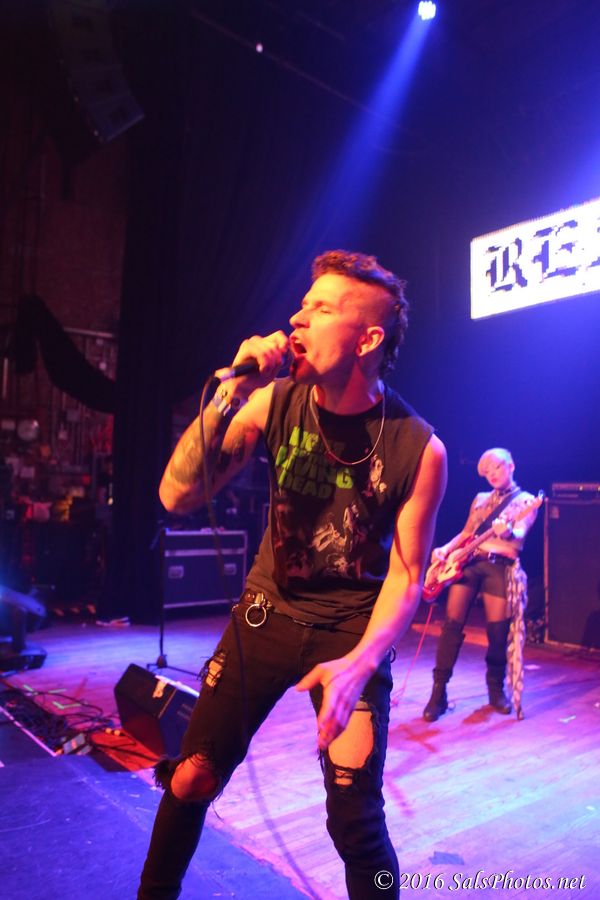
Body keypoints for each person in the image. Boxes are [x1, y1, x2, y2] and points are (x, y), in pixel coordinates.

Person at [138, 250, 447, 900]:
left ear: (367, 339)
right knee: (192, 777)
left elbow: (407, 573)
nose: (297, 320)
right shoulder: (272, 402)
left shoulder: (419, 448)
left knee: (355, 820)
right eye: (303, 306)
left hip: (351, 631)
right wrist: (232, 391)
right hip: (265, 616)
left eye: (321, 309)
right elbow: (175, 494)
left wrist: (362, 663)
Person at [422, 448, 539, 723]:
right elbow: (467, 533)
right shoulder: (480, 499)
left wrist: (508, 531)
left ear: (511, 466)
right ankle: (438, 692)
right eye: (486, 471)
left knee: (498, 632)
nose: (492, 474)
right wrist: (445, 549)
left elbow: (520, 533)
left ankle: (495, 690)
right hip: (470, 562)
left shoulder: (526, 501)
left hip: (501, 566)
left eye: (496, 467)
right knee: (452, 624)